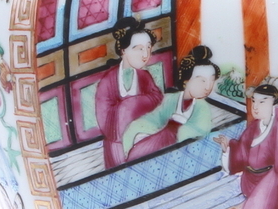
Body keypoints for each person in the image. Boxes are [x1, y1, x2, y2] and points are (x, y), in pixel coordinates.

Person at [123, 45, 221, 162]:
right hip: (162, 138)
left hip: (181, 148)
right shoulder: (172, 99)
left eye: (211, 80)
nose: (208, 87)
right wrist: (139, 126)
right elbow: (156, 117)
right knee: (140, 150)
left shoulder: (202, 107)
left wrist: (178, 130)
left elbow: (200, 130)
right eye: (202, 81)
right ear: (186, 81)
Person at [93, 16, 163, 168]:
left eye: (148, 47)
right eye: (139, 48)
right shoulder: (108, 81)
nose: (145, 55)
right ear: (123, 50)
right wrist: (128, 108)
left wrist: (132, 105)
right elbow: (104, 118)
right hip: (117, 140)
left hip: (144, 133)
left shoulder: (144, 76)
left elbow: (157, 99)